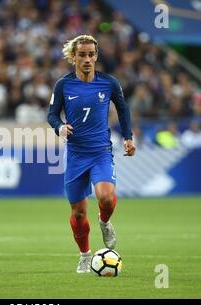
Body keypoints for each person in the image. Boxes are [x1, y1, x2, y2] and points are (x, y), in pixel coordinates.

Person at [47, 35, 136, 273]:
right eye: (82, 55)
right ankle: (85, 254)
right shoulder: (63, 85)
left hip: (101, 151)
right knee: (77, 212)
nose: (87, 59)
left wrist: (128, 137)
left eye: (91, 54)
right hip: (76, 154)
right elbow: (52, 115)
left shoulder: (109, 83)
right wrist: (60, 127)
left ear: (96, 56)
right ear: (73, 57)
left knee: (106, 197)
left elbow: (123, 109)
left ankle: (104, 221)